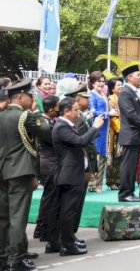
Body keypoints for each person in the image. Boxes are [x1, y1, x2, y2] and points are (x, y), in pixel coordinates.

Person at [0, 78, 48, 271]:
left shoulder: (1, 115)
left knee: (3, 217)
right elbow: (46, 130)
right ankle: (15, 259)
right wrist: (37, 112)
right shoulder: (25, 116)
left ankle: (3, 257)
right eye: (30, 96)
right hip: (20, 171)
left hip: (2, 170)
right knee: (18, 217)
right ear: (20, 97)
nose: (32, 98)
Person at [48, 97, 103, 256]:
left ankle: (68, 240)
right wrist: (94, 127)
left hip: (73, 173)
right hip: (69, 175)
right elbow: (80, 141)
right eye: (76, 110)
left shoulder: (67, 125)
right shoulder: (61, 127)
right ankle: (67, 244)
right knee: (67, 211)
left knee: (69, 211)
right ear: (66, 111)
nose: (78, 113)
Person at [118, 64, 140, 202]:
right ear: (129, 77)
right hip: (130, 134)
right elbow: (131, 114)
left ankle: (130, 192)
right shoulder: (125, 92)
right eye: (138, 75)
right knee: (128, 166)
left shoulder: (132, 92)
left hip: (135, 134)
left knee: (132, 166)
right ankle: (125, 194)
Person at [32, 96, 59, 243]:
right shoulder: (44, 123)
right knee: (49, 198)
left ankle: (42, 228)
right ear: (50, 109)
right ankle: (43, 229)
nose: (59, 109)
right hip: (49, 163)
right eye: (57, 106)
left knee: (50, 197)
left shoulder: (49, 121)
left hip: (50, 162)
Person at [88, 71, 111, 193]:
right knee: (96, 154)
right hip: (97, 128)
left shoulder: (102, 94)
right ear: (92, 83)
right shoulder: (91, 95)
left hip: (105, 129)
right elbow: (92, 112)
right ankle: (92, 184)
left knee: (102, 155)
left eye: (103, 81)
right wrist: (108, 114)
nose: (101, 84)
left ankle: (99, 183)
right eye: (99, 81)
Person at [106, 78, 123, 190]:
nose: (121, 87)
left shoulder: (121, 98)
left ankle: (119, 180)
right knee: (113, 157)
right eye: (118, 85)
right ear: (112, 88)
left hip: (122, 131)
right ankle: (111, 181)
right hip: (115, 133)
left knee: (120, 157)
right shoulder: (111, 99)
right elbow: (114, 118)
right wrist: (121, 130)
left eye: (122, 84)